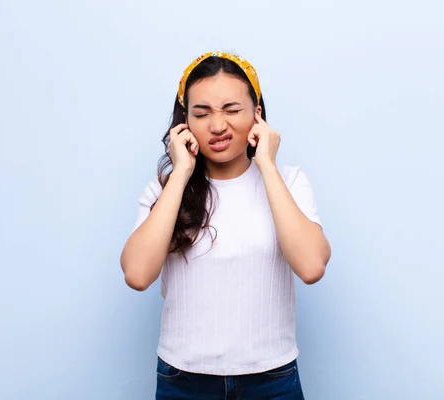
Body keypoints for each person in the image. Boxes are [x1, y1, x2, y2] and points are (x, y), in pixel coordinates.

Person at [120, 51, 331, 399]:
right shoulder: (165, 190)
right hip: (183, 380)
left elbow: (311, 267)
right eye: (201, 114)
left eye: (232, 110)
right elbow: (137, 275)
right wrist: (181, 173)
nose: (217, 126)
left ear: (257, 115)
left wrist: (265, 164)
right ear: (184, 123)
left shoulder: (289, 182)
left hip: (272, 379)